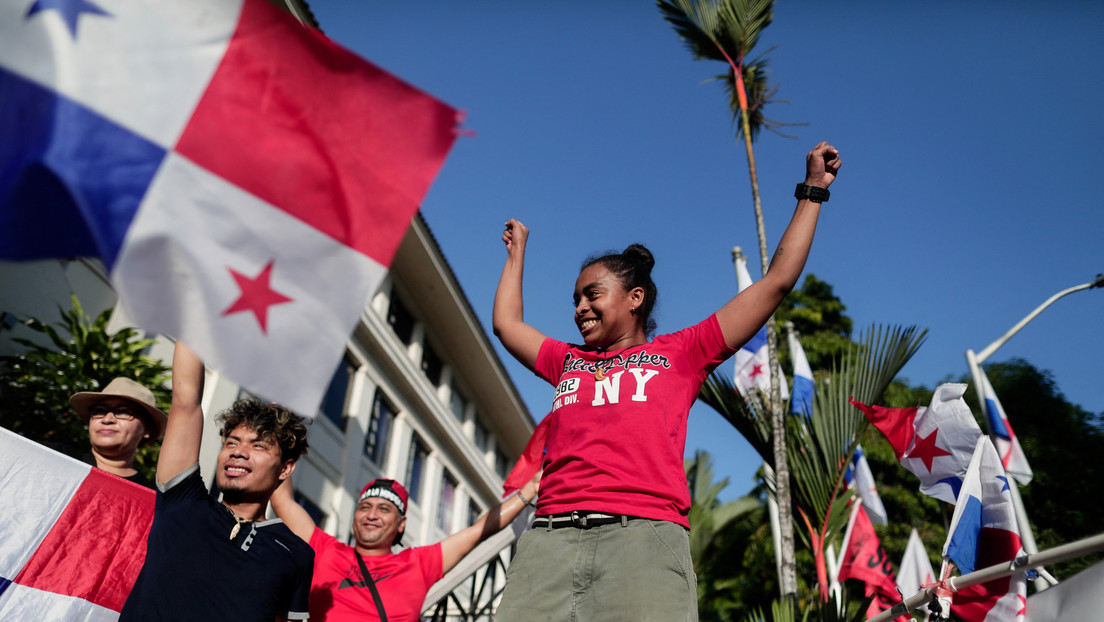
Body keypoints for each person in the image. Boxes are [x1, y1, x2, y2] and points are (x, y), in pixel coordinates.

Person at [490, 142, 841, 621]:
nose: (580, 309)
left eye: (592, 295)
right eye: (575, 300)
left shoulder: (683, 353)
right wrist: (517, 253)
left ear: (634, 298)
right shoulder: (566, 360)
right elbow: (507, 325)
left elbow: (776, 281)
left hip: (642, 542)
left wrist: (813, 190)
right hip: (549, 543)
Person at [119, 342, 315, 622]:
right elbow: (186, 401)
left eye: (258, 446)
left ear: (285, 468)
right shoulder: (183, 502)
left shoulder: (297, 554)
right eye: (232, 442)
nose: (238, 452)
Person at [270, 468, 541, 621]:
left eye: (384, 509)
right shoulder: (325, 550)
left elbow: (479, 531)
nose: (371, 515)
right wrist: (277, 435)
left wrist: (528, 490)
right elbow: (283, 501)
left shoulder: (419, 563)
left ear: (401, 524)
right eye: (365, 506)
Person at [69, 377, 167, 488]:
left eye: (123, 412)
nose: (107, 419)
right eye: (100, 411)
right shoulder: (59, 461)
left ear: (147, 429)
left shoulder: (149, 493)